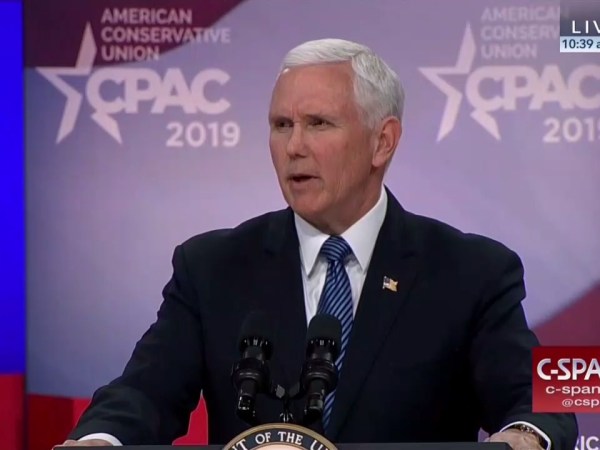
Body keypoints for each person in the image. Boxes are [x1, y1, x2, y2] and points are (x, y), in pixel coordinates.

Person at [57, 39, 577, 449]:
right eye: (281, 125)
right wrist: (99, 440)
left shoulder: (471, 271)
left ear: (383, 141)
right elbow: (143, 393)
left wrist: (525, 437)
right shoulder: (212, 266)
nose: (294, 146)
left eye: (318, 124)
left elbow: (543, 403)